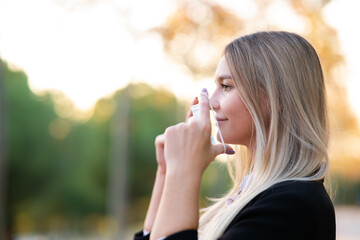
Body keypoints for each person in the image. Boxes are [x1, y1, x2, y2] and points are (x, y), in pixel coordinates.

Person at [134, 31, 336, 240]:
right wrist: (167, 171)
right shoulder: (259, 196)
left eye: (226, 86)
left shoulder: (292, 205)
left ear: (279, 98)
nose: (211, 102)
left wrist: (183, 172)